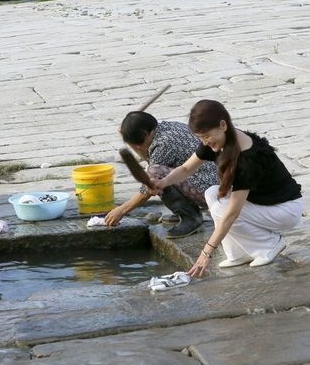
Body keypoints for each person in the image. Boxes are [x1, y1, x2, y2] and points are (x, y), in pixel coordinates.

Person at [152, 99, 303, 277]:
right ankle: (238, 253)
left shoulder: (246, 157)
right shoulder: (221, 140)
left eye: (206, 136)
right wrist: (162, 182)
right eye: (200, 137)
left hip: (285, 209)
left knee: (223, 208)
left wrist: (207, 252)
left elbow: (233, 213)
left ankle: (268, 245)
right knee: (212, 193)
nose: (205, 142)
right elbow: (186, 169)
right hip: (263, 204)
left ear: (223, 125)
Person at [105, 111, 219, 239]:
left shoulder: (163, 144)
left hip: (208, 190)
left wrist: (122, 210)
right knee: (155, 170)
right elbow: (149, 159)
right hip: (204, 180)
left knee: (155, 173)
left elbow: (148, 186)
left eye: (138, 143)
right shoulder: (166, 126)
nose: (137, 147)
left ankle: (191, 217)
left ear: (146, 134)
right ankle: (186, 211)